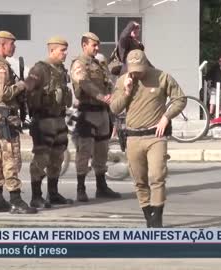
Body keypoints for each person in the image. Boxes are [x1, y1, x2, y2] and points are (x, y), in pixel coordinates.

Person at [110, 49, 186, 228]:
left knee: (157, 176)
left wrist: (166, 117)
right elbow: (114, 108)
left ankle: (156, 220)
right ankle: (148, 216)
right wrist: (126, 92)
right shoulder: (123, 81)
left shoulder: (162, 77)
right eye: (133, 69)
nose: (136, 73)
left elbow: (180, 99)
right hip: (133, 138)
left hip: (155, 136)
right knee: (140, 180)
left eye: (139, 69)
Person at [0, 30, 37, 214]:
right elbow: (2, 93)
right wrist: (22, 85)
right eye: (12, 44)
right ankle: (15, 199)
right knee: (11, 157)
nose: (14, 47)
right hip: (4, 117)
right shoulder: (0, 66)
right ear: (2, 45)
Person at [70, 32, 121, 202]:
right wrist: (101, 96)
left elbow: (109, 82)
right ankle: (80, 188)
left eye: (97, 45)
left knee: (102, 150)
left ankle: (101, 186)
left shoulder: (99, 64)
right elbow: (84, 83)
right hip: (87, 112)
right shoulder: (79, 63)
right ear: (84, 45)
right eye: (94, 45)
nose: (97, 48)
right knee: (84, 151)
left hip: (102, 112)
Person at [24, 36, 74, 208]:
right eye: (62, 50)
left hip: (59, 119)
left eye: (66, 50)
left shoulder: (61, 70)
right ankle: (36, 196)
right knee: (41, 158)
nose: (65, 53)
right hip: (43, 120)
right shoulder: (39, 69)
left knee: (57, 158)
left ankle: (53, 193)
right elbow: (27, 90)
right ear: (52, 50)